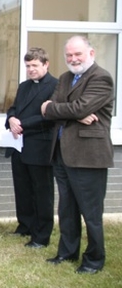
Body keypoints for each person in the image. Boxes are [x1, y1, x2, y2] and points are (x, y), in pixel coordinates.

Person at [41, 36, 113, 274]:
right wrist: (72, 112)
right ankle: (67, 253)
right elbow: (49, 108)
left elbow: (70, 107)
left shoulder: (101, 77)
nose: (73, 59)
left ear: (91, 53)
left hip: (88, 156)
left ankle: (94, 260)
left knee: (91, 213)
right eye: (69, 55)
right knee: (67, 208)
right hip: (61, 153)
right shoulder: (64, 77)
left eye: (78, 54)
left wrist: (62, 109)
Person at [5, 47, 58, 248]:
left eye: (35, 65)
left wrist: (22, 125)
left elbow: (50, 115)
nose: (31, 70)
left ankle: (41, 235)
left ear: (46, 64)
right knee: (23, 189)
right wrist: (11, 119)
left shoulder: (55, 85)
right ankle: (25, 226)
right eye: (28, 66)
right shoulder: (24, 86)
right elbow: (13, 108)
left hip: (40, 146)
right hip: (19, 145)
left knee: (42, 192)